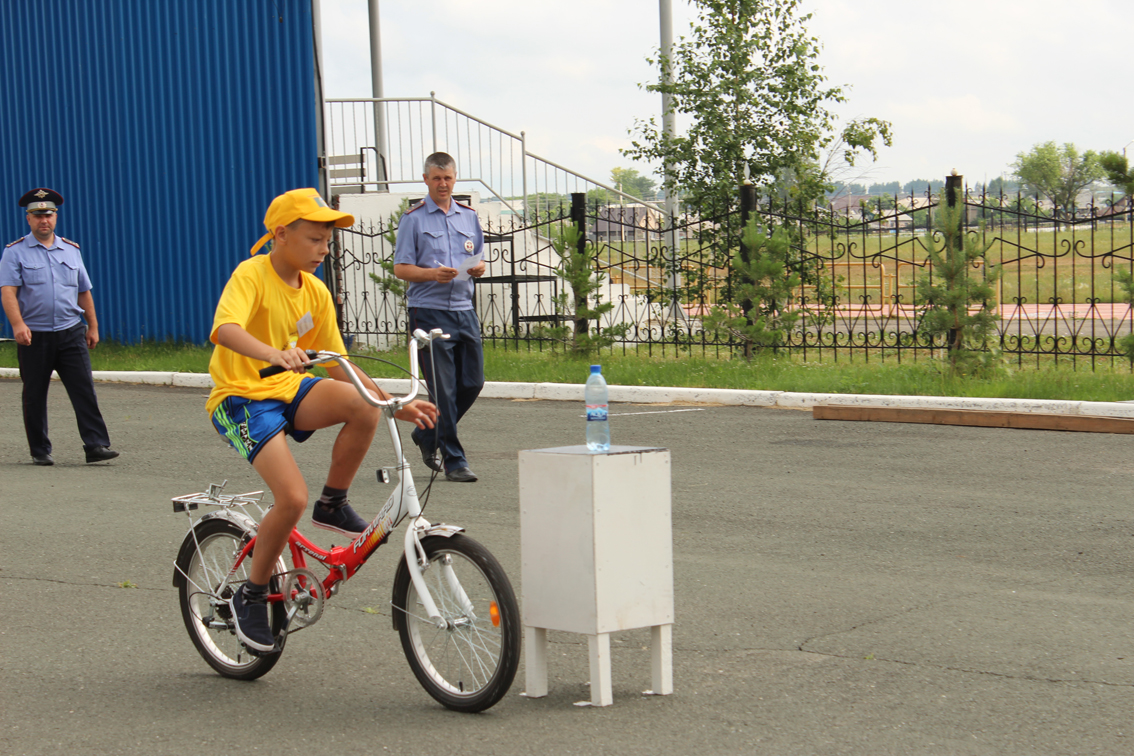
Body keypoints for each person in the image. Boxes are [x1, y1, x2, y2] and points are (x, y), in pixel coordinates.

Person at [207, 187, 438, 653]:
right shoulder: (251, 274)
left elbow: (338, 364)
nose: (323, 249)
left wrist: (393, 400)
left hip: (290, 390)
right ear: (280, 234)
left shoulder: (315, 290)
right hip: (242, 398)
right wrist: (274, 353)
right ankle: (251, 596)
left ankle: (332, 502)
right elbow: (224, 328)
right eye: (314, 239)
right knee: (290, 497)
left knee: (362, 405)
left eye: (327, 241)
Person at [0, 188, 118, 466]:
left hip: (70, 331)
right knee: (35, 393)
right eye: (38, 215)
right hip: (34, 335)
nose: (45, 220)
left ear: (56, 217)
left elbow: (83, 291)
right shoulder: (14, 253)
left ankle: (96, 445)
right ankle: (40, 449)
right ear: (28, 218)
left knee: (84, 389)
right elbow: (8, 292)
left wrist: (93, 326)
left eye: (49, 214)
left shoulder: (71, 250)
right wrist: (17, 324)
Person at [393, 152, 486, 483]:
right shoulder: (414, 219)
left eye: (447, 178)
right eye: (436, 178)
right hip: (429, 311)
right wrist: (433, 274)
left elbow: (479, 260)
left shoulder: (469, 217)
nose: (442, 184)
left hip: (464, 309)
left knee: (473, 382)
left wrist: (477, 269)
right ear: (426, 180)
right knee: (443, 390)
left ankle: (427, 434)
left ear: (455, 178)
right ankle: (454, 460)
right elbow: (401, 268)